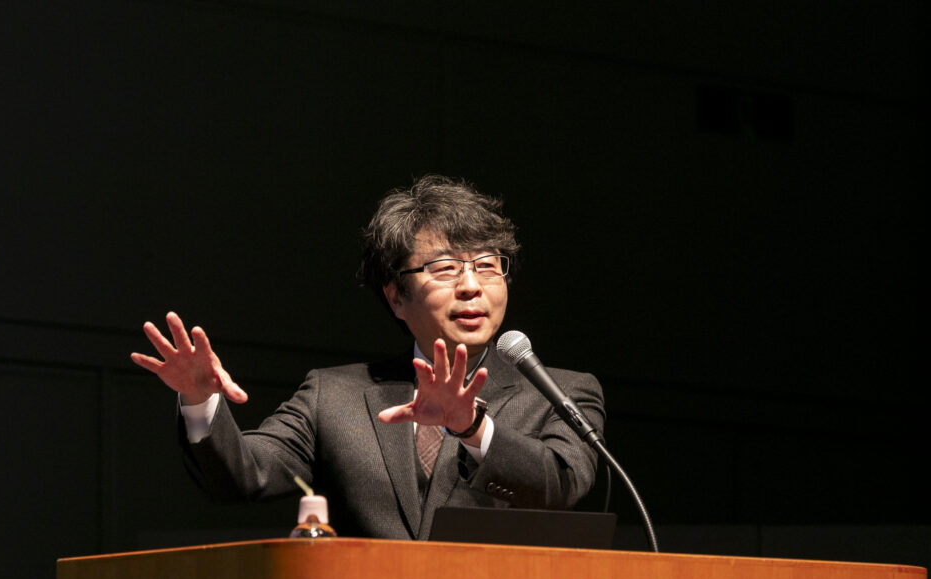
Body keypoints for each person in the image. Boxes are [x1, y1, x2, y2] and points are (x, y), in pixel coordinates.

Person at [131, 175, 605, 540]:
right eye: (444, 268)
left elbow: (561, 485)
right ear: (396, 296)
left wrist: (473, 428)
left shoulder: (560, 392)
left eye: (487, 265)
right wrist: (199, 400)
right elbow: (242, 477)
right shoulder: (333, 396)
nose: (471, 285)